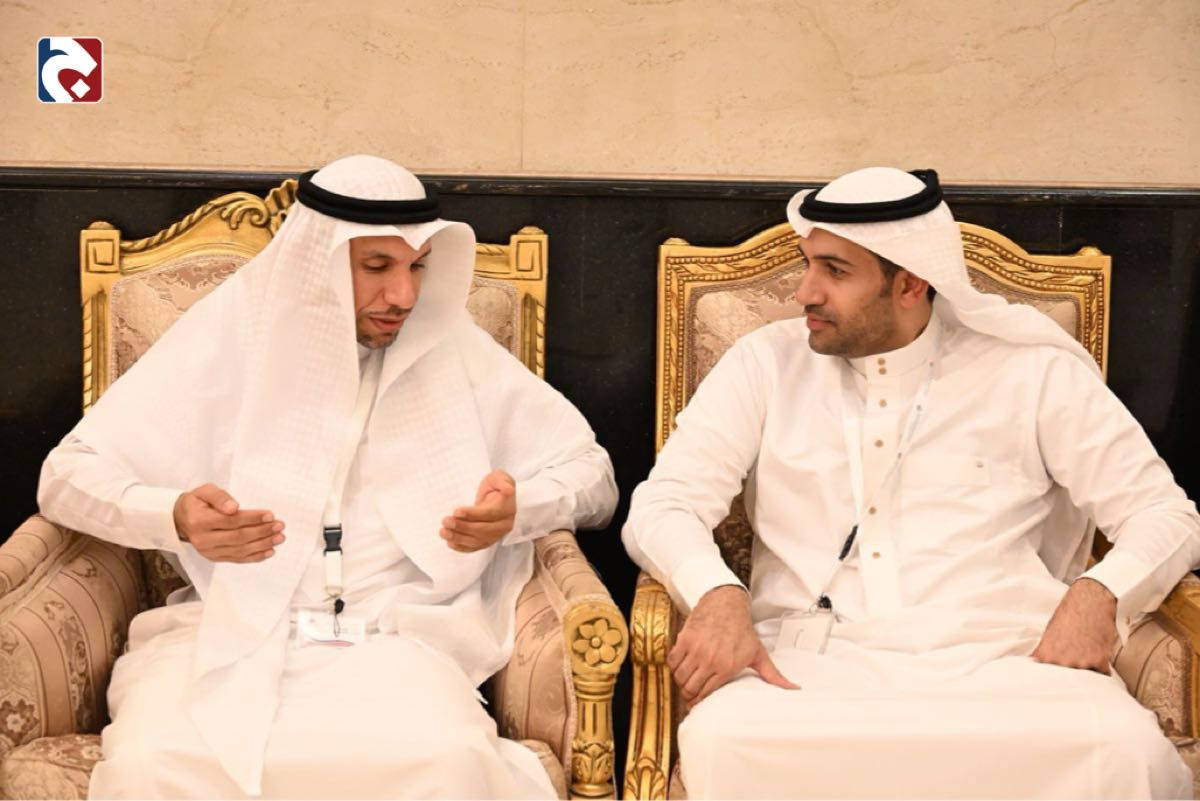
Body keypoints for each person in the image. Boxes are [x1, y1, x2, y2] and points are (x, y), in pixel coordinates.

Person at [38, 155, 617, 799]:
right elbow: (64, 477)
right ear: (317, 262)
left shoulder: (450, 345)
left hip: (397, 640)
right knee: (152, 764)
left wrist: (519, 510)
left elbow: (593, 478)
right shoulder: (227, 334)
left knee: (448, 761)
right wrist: (172, 515)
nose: (403, 297)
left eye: (417, 267)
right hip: (228, 631)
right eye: (377, 267)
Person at [622, 167, 1200, 799]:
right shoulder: (764, 364)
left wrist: (1100, 591)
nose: (805, 292)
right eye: (808, 264)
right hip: (808, 668)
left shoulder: (1031, 371)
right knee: (725, 739)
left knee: (1122, 748)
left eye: (835, 271)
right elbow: (665, 503)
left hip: (1006, 664)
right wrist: (716, 593)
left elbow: (1164, 513)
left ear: (911, 283)